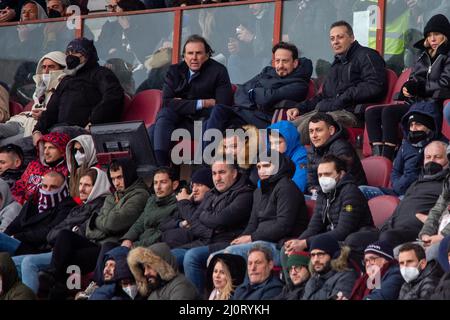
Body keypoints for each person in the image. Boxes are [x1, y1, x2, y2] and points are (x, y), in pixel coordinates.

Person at [46, 159, 149, 298]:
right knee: (65, 235)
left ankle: (60, 288)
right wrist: (101, 223)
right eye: (113, 179)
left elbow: (113, 223)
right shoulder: (112, 197)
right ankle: (51, 275)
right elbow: (89, 227)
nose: (116, 183)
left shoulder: (139, 195)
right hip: (94, 242)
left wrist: (98, 222)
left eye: (120, 177)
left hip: (111, 245)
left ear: (129, 174)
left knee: (70, 259)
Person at [12, 168, 110, 294]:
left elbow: (83, 232)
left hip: (79, 250)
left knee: (29, 262)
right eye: (80, 184)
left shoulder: (101, 206)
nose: (81, 189)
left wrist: (70, 231)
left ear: (97, 186)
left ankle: (30, 294)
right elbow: (51, 235)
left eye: (87, 185)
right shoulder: (79, 208)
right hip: (59, 247)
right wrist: (70, 231)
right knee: (12, 262)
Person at [365, 14, 450, 159]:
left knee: (388, 112)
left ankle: (387, 157)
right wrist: (407, 88)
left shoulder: (447, 56)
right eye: (429, 35)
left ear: (446, 36)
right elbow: (414, 78)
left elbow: (445, 83)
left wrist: (420, 88)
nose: (432, 39)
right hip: (415, 103)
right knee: (371, 113)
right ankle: (376, 157)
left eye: (437, 34)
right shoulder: (423, 55)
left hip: (431, 105)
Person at [287, 20, 387, 141]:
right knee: (282, 129)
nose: (335, 42)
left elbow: (375, 86)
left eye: (340, 37)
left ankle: (294, 159)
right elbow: (323, 95)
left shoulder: (367, 55)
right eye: (332, 38)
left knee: (305, 129)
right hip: (331, 111)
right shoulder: (336, 64)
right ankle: (268, 159)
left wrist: (344, 98)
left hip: (352, 113)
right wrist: (299, 108)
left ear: (351, 38)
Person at [170, 158, 253, 296]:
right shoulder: (211, 194)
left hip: (227, 242)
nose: (217, 178)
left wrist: (205, 216)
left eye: (222, 172)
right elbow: (195, 221)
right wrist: (208, 219)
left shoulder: (245, 194)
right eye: (214, 173)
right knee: (168, 256)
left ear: (234, 173)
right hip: (205, 241)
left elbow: (221, 219)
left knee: (192, 257)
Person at [148, 34, 233, 166]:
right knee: (160, 120)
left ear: (207, 55)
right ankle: (162, 169)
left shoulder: (219, 71)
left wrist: (180, 103)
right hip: (181, 123)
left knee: (154, 129)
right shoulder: (174, 70)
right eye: (190, 53)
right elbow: (167, 103)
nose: (194, 57)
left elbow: (222, 105)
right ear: (184, 56)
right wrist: (203, 103)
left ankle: (168, 172)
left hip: (205, 124)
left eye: (198, 53)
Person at [216, 152, 309, 267]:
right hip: (259, 242)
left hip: (280, 245)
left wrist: (251, 238)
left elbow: (283, 225)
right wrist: (239, 240)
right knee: (216, 257)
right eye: (259, 167)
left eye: (266, 166)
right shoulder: (258, 191)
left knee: (232, 253)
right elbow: (252, 224)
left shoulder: (286, 187)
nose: (261, 171)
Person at [283, 155, 376, 263]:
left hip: (351, 240)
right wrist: (297, 242)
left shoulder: (351, 192)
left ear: (341, 174)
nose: (323, 178)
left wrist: (305, 243)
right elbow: (313, 228)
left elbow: (343, 231)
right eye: (320, 175)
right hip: (332, 238)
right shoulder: (323, 195)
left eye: (327, 174)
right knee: (286, 252)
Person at [204, 42, 313, 134]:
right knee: (210, 118)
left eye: (285, 61)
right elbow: (242, 90)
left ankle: (203, 159)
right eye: (277, 61)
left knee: (219, 115)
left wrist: (254, 92)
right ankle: (201, 159)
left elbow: (267, 98)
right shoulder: (267, 71)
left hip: (264, 121)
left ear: (295, 63)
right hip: (245, 112)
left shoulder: (300, 84)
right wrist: (254, 99)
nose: (280, 65)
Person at [32, 38, 124, 143]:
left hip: (85, 131)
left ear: (87, 55)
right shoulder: (66, 79)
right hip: (58, 130)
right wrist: (37, 130)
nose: (71, 56)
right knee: (18, 145)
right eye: (69, 53)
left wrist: (93, 123)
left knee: (56, 133)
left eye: (76, 52)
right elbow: (51, 110)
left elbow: (112, 98)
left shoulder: (101, 74)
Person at [361, 103, 445, 199]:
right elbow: (395, 171)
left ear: (429, 126)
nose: (413, 129)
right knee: (361, 190)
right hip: (396, 191)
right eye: (411, 125)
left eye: (418, 124)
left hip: (416, 196)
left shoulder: (441, 146)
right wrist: (398, 186)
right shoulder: (406, 144)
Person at [379, 141, 449, 247]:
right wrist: (384, 227)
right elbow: (399, 209)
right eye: (428, 157)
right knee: (356, 239)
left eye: (437, 157)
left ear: (447, 160)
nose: (431, 161)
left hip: (416, 231)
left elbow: (441, 213)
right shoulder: (417, 183)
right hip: (394, 228)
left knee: (387, 237)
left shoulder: (446, 184)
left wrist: (429, 229)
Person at [0, 171, 76, 256]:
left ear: (63, 188)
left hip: (38, 249)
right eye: (45, 186)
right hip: (19, 242)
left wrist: (17, 237)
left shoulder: (67, 206)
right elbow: (16, 223)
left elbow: (49, 231)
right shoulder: (34, 200)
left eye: (53, 187)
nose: (48, 190)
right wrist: (6, 236)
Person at [0, 51, 66, 143]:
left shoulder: (66, 90)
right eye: (44, 67)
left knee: (4, 144)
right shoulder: (40, 88)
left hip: (36, 129)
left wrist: (44, 116)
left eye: (51, 67)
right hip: (21, 122)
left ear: (63, 69)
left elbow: (65, 117)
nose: (46, 71)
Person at [306, 113, 367, 195]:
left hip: (351, 196)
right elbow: (311, 182)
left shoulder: (342, 147)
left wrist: (320, 192)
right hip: (326, 195)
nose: (314, 135)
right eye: (311, 131)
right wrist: (315, 190)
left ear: (331, 130)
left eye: (318, 130)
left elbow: (344, 181)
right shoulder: (312, 150)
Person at [159, 167, 214, 247]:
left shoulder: (211, 205)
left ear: (210, 188)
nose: (194, 190)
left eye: (199, 185)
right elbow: (163, 225)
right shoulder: (189, 203)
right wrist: (181, 223)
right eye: (193, 185)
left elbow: (201, 229)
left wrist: (184, 203)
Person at [11, 132, 70, 205]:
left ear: (62, 151)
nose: (46, 152)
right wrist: (21, 202)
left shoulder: (68, 171)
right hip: (22, 206)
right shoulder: (34, 165)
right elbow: (19, 186)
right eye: (45, 147)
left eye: (51, 148)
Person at [127, 242, 199, 300]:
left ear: (162, 265)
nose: (146, 273)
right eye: (144, 268)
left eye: (149, 267)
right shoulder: (155, 291)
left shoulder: (181, 286)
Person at [302, 234, 358, 300]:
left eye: (320, 254)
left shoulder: (346, 277)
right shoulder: (313, 279)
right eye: (313, 255)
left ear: (334, 256)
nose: (315, 260)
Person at [419, 155, 450, 260]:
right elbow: (436, 211)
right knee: (399, 251)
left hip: (445, 239)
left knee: (433, 251)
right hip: (438, 238)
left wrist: (442, 237)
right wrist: (426, 234)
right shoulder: (448, 183)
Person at [267, 121, 308, 192]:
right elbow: (262, 183)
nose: (273, 147)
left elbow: (298, 186)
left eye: (278, 142)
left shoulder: (302, 156)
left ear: (289, 140)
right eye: (271, 143)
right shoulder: (275, 156)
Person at [65, 134, 97, 199]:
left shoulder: (97, 172)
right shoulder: (73, 174)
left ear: (90, 149)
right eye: (75, 151)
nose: (77, 155)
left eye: (82, 150)